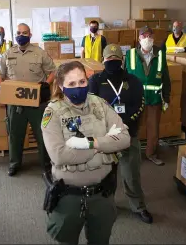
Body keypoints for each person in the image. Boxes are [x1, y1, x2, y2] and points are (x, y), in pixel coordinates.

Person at [41, 60, 131, 244]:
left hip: (102, 194)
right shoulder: (53, 113)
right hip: (69, 197)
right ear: (60, 85)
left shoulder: (100, 105)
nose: (78, 87)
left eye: (82, 82)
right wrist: (104, 144)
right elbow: (59, 155)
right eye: (71, 84)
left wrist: (90, 143)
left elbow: (124, 139)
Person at [89, 44, 153, 224]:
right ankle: (104, 207)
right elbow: (92, 107)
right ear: (103, 60)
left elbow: (139, 106)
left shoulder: (134, 81)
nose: (112, 62)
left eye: (116, 59)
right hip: (105, 136)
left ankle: (138, 206)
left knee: (131, 174)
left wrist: (123, 124)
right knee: (105, 174)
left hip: (127, 134)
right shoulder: (95, 80)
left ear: (122, 61)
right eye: (109, 59)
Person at [0, 23, 56, 176]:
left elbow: (53, 71)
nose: (21, 35)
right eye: (18, 33)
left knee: (42, 134)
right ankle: (14, 163)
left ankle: (46, 165)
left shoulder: (39, 53)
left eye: (24, 33)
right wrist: (2, 87)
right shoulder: (8, 53)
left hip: (37, 102)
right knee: (15, 134)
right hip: (15, 103)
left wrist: (46, 84)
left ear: (30, 34)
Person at [125, 27, 171, 166]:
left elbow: (166, 78)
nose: (147, 38)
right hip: (135, 99)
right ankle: (132, 155)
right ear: (139, 38)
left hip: (154, 98)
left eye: (149, 35)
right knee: (133, 128)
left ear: (153, 37)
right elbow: (124, 78)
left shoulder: (161, 54)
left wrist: (166, 97)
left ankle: (151, 154)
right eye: (143, 36)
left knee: (153, 129)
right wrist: (125, 96)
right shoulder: (130, 54)